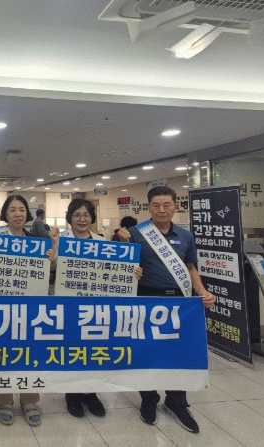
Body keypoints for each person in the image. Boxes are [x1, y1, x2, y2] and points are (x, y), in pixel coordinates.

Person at [119, 186, 215, 434]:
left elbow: (190, 267)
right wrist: (125, 255)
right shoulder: (135, 234)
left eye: (166, 205)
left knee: (178, 352)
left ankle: (176, 401)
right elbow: (121, 265)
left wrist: (202, 291)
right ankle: (149, 399)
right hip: (146, 299)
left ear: (175, 207)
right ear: (148, 207)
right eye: (156, 205)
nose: (161, 210)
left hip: (179, 303)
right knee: (146, 351)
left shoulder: (186, 236)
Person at [0, 194, 58, 426]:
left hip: (29, 308)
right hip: (1, 306)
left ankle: (29, 399)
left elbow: (47, 271)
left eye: (21, 210)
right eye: (13, 210)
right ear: (5, 214)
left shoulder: (36, 241)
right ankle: (4, 400)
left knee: (29, 353)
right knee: (3, 352)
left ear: (27, 214)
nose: (18, 214)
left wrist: (52, 253)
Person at [61, 199, 108, 418]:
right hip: (68, 306)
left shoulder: (102, 241)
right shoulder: (61, 240)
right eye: (77, 215)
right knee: (72, 350)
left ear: (92, 218)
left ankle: (90, 393)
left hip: (95, 307)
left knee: (92, 350)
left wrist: (131, 271)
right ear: (70, 218)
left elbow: (112, 272)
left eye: (86, 215)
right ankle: (72, 394)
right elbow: (50, 269)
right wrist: (52, 252)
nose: (82, 219)